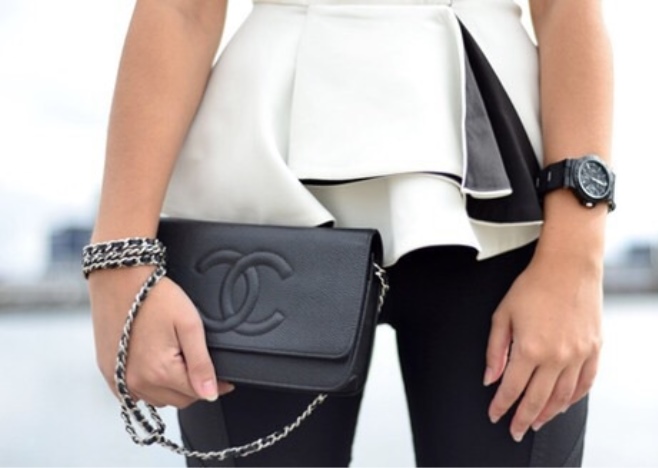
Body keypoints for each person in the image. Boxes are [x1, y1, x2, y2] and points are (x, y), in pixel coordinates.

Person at [87, 0, 614, 466]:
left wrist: (576, 261)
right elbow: (180, 8)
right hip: (263, 191)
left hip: (501, 206)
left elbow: (567, 7)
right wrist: (118, 264)